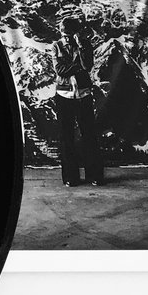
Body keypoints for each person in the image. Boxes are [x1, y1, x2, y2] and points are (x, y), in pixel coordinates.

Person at [52, 15, 104, 187]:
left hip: (83, 94)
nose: (66, 38)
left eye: (69, 34)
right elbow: (60, 70)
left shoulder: (85, 45)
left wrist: (80, 46)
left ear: (76, 33)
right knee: (66, 137)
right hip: (64, 95)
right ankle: (70, 177)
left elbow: (87, 65)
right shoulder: (56, 46)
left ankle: (94, 175)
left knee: (89, 134)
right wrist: (78, 67)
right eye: (63, 34)